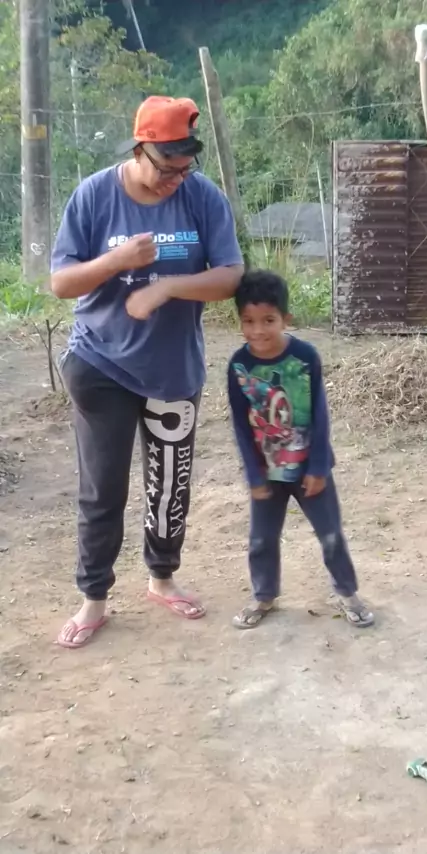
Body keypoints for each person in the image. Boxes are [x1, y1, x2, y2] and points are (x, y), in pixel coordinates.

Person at [51, 95, 243, 648]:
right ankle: (93, 598)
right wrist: (116, 262)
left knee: (168, 488)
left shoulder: (202, 197)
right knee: (103, 489)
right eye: (167, 169)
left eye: (185, 169)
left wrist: (166, 286)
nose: (176, 181)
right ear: (140, 151)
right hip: (101, 364)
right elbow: (61, 282)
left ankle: (162, 578)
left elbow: (230, 274)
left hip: (172, 369)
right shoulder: (94, 195)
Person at [227, 270, 374, 629]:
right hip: (267, 472)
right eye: (248, 321)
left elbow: (320, 414)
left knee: (331, 534)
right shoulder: (238, 366)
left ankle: (348, 594)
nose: (258, 330)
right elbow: (241, 426)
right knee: (261, 539)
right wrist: (253, 474)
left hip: (310, 469)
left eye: (268, 320)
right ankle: (264, 596)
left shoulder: (305, 356)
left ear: (285, 319)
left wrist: (319, 466)